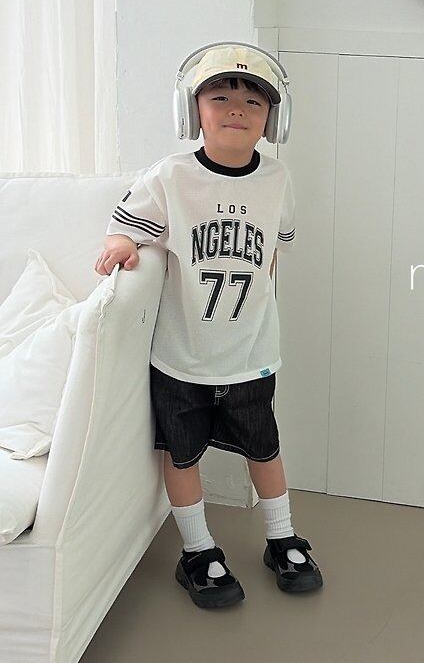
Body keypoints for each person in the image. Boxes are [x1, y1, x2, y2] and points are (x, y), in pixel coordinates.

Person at [94, 44, 323, 608]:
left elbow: (274, 251)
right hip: (182, 356)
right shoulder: (171, 176)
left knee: (264, 449)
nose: (236, 109)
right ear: (191, 110)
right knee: (182, 455)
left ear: (274, 119)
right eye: (219, 97)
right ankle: (198, 551)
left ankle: (282, 538)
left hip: (251, 354)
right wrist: (124, 245)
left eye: (253, 102)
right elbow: (127, 225)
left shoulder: (277, 178)